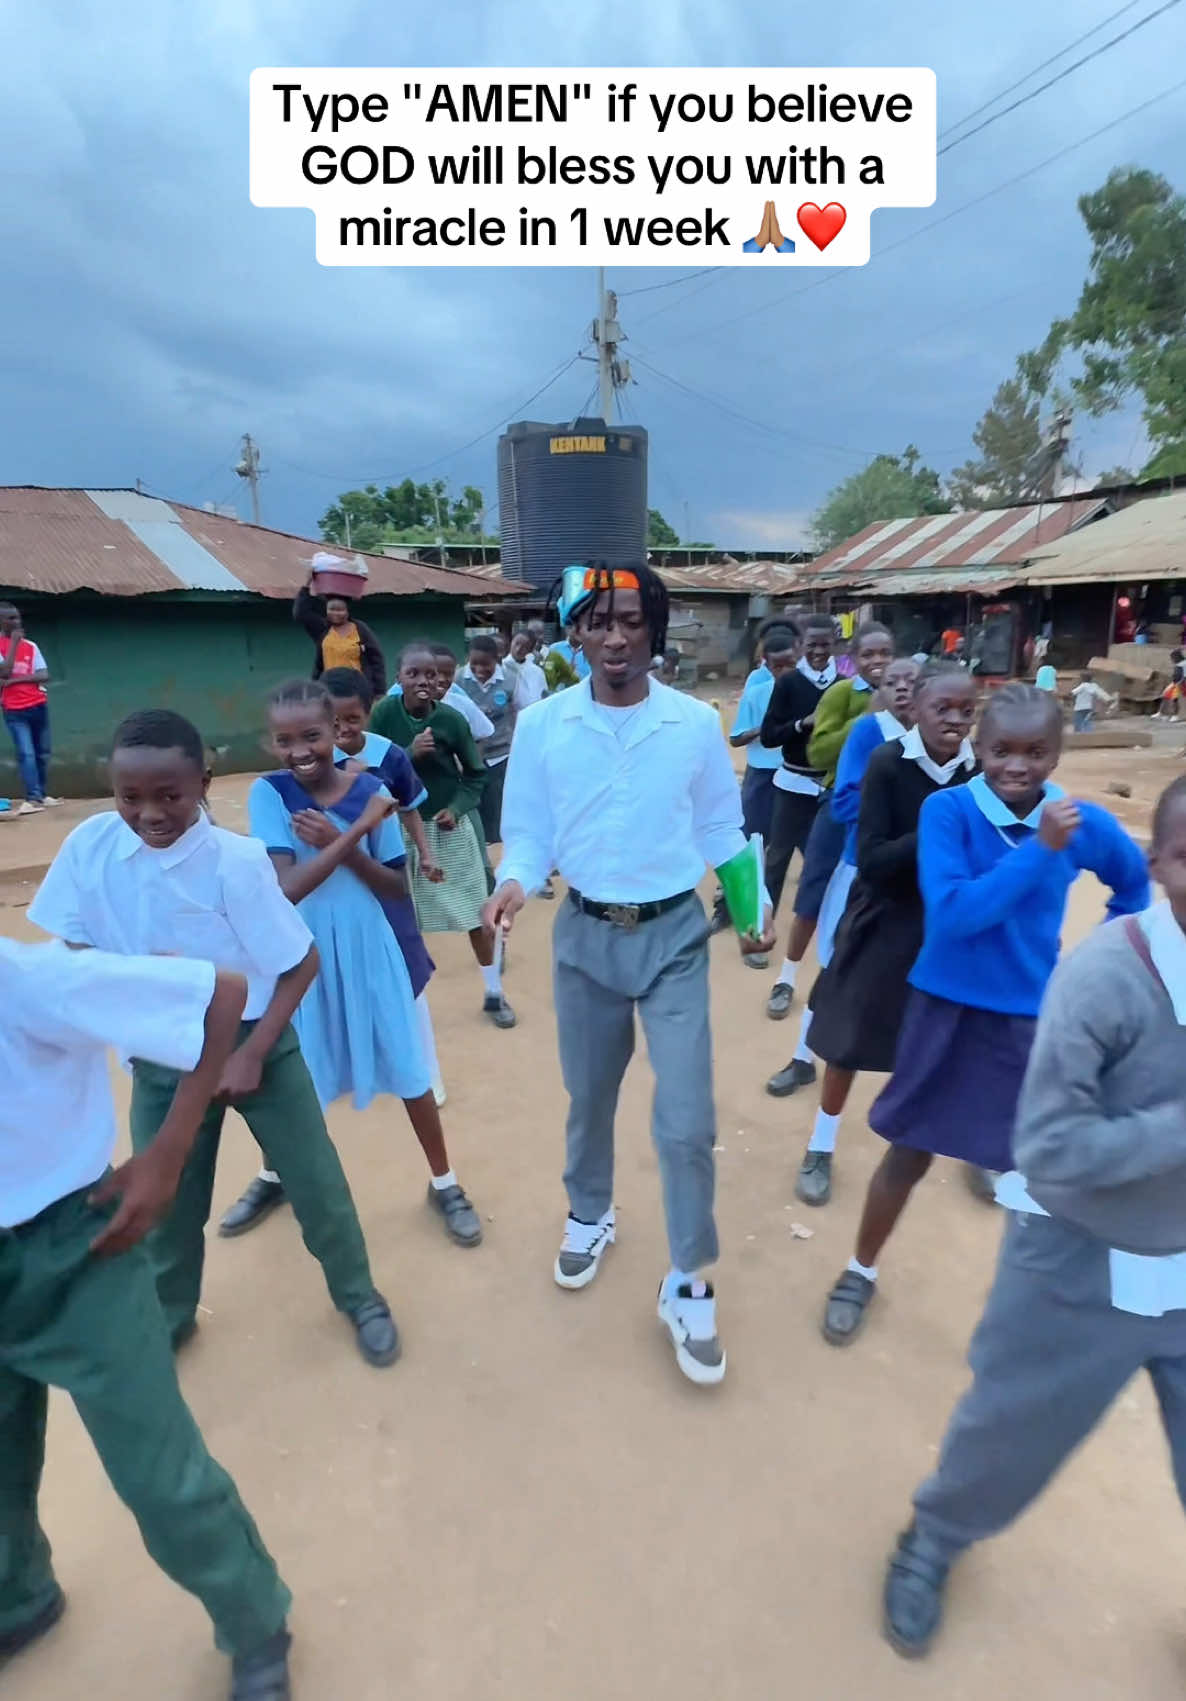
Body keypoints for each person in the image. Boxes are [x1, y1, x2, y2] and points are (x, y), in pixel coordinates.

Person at [882, 775, 1186, 1659]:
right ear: (1164, 863)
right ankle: (932, 1540)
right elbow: (1047, 1149)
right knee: (1007, 1434)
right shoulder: (1103, 979)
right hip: (1078, 1262)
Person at [29, 709, 401, 1365]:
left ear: (202, 782)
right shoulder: (91, 848)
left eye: (169, 794)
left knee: (317, 1185)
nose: (149, 813)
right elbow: (71, 942)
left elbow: (300, 962)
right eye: (130, 797)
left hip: (258, 1044)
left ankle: (359, 1294)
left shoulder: (237, 864)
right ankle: (171, 1317)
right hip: (163, 1057)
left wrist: (255, 1053)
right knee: (166, 1203)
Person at [485, 563, 775, 1387]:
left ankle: (688, 1281)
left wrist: (748, 911)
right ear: (574, 632)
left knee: (686, 1118)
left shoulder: (692, 723)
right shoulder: (542, 725)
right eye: (598, 621)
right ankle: (591, 1211)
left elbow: (724, 824)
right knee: (591, 1093)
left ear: (656, 629)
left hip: (674, 935)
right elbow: (530, 832)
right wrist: (514, 881)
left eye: (631, 620)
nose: (615, 637)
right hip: (584, 934)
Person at [0, 941, 293, 1699]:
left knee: (156, 1470)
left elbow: (218, 996)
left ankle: (255, 1617)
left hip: (73, 1249)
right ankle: (19, 1596)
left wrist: (167, 1153)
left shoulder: (28, 980)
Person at [820, 684, 1150, 1347]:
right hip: (943, 1009)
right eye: (1002, 750)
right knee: (906, 1154)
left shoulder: (1077, 818)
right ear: (980, 747)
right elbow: (955, 916)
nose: (1018, 766)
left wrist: (1092, 967)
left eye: (1036, 751)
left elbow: (1135, 883)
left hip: (1029, 1022)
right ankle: (859, 1270)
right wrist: (1040, 851)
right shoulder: (948, 812)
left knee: (1031, 1172)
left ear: (1057, 753)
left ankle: (1027, 1308)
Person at [246, 679, 483, 1250]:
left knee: (409, 1068)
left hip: (370, 947)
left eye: (312, 735)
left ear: (338, 732)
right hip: (301, 955)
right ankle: (274, 1175)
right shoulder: (270, 794)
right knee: (292, 1079)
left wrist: (345, 841)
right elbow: (287, 889)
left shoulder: (373, 785)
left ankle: (444, 1183)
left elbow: (396, 887)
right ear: (271, 744)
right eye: (285, 740)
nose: (300, 750)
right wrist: (352, 831)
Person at [785, 667, 977, 1205]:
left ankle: (974, 1148)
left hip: (944, 921)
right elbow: (872, 860)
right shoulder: (888, 763)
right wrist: (937, 826)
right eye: (944, 709)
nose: (956, 721)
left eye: (967, 711)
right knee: (848, 1038)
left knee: (959, 1038)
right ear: (914, 709)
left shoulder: (977, 772)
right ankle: (821, 1144)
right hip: (886, 914)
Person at [767, 654, 923, 1097]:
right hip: (864, 873)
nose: (902, 688)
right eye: (893, 681)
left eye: (912, 680)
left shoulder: (945, 750)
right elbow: (843, 804)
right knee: (838, 969)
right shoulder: (869, 733)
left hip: (923, 884)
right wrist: (900, 815)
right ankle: (801, 1057)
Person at [371, 645, 516, 1028]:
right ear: (398, 678)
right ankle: (402, 1005)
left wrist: (457, 806)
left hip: (448, 829)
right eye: (413, 674)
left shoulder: (452, 719)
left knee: (475, 913)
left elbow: (475, 773)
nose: (423, 682)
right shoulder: (384, 714)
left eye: (431, 676)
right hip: (399, 829)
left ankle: (494, 992)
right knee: (400, 920)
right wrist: (408, 752)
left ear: (442, 681)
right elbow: (367, 770)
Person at [764, 623, 894, 1025]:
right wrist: (868, 721)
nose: (877, 662)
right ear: (853, 658)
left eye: (884, 653)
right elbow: (819, 752)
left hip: (890, 811)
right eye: (868, 654)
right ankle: (786, 978)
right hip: (840, 804)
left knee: (878, 899)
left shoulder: (911, 695)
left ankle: (857, 986)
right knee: (813, 892)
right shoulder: (841, 693)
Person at [708, 624, 800, 945]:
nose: (785, 670)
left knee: (788, 852)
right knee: (749, 845)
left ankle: (765, 923)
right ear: (765, 662)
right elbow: (735, 737)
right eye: (778, 665)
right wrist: (770, 728)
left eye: (791, 663)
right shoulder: (758, 690)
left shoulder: (813, 691)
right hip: (763, 776)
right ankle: (728, 908)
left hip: (800, 779)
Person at [758, 614, 837, 944]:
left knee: (826, 864)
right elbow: (768, 736)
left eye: (825, 644)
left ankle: (830, 936)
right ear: (799, 645)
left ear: (836, 644)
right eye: (811, 644)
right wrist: (801, 724)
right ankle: (761, 932)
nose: (818, 651)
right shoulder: (788, 683)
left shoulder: (844, 683)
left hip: (829, 787)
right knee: (777, 861)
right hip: (792, 785)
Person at [458, 634, 529, 848]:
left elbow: (523, 711)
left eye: (485, 664)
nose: (479, 669)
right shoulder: (458, 680)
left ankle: (498, 853)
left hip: (501, 755)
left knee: (499, 808)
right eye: (474, 664)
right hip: (468, 756)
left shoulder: (510, 679)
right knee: (473, 807)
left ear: (496, 659)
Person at [293, 565, 387, 697]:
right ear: (326, 610)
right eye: (332, 609)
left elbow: (376, 661)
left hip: (358, 692)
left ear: (348, 611)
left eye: (340, 610)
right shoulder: (323, 630)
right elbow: (300, 614)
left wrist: (379, 692)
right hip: (328, 691)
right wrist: (307, 584)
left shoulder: (360, 630)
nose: (336, 613)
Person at [0, 605, 57, 814]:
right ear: (1, 622)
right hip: (14, 710)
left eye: (18, 618)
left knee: (43, 753)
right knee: (27, 754)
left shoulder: (31, 646)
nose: (17, 622)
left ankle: (42, 795)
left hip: (38, 705)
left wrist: (15, 681)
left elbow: (44, 675)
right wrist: (14, 644)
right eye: (11, 619)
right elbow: (4, 670)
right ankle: (32, 798)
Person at [506, 629, 549, 705]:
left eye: (525, 647)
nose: (518, 649)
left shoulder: (537, 671)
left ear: (530, 649)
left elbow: (543, 696)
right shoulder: (502, 667)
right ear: (511, 642)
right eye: (516, 643)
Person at [544, 622, 591, 691]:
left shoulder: (591, 650)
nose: (577, 632)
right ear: (567, 629)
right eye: (571, 627)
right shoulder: (554, 648)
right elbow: (548, 672)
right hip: (560, 695)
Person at [1156, 649, 1185, 722]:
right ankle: (1161, 713)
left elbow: (1183, 677)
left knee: (1174, 698)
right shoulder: (1179, 664)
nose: (1172, 660)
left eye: (1172, 657)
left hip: (1181, 683)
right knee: (1165, 694)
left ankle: (1175, 716)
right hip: (1176, 683)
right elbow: (1176, 676)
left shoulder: (1183, 664)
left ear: (1177, 657)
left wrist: (1178, 685)